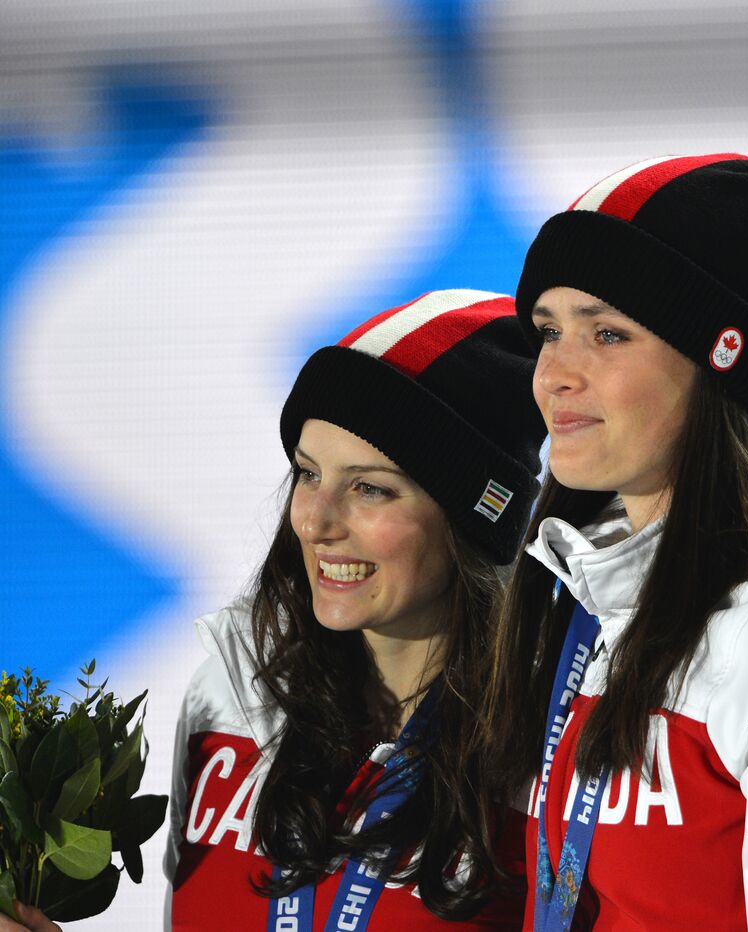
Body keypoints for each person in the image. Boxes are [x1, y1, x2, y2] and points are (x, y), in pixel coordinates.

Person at [476, 153, 748, 930]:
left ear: (723, 363)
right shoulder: (574, 602)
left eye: (607, 333)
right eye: (547, 332)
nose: (553, 375)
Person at [147, 290, 544, 930]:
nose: (314, 521)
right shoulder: (230, 694)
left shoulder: (549, 746)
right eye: (307, 474)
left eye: (369, 488)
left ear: (471, 523)